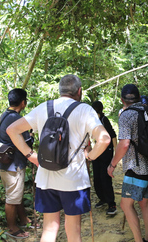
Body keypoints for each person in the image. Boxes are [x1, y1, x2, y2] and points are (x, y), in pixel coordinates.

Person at [7, 74, 111, 242]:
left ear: (60, 90)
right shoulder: (84, 109)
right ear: (79, 91)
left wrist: (30, 155)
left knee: (49, 228)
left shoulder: (43, 107)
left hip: (46, 177)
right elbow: (104, 139)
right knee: (73, 230)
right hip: (74, 180)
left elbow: (12, 130)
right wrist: (90, 156)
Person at [108, 84, 148, 242]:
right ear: (139, 98)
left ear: (122, 100)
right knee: (145, 203)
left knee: (126, 205)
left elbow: (124, 143)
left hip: (137, 168)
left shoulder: (126, 115)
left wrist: (112, 164)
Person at [0, 88, 35, 239]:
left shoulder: (5, 115)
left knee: (15, 194)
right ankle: (12, 228)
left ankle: (24, 220)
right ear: (23, 102)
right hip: (14, 165)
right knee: (12, 198)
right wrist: (31, 135)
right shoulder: (16, 119)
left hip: (6, 163)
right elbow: (27, 141)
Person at [91, 100, 118, 215]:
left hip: (106, 152)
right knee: (96, 178)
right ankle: (102, 198)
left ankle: (111, 203)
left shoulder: (104, 120)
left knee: (105, 177)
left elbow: (113, 135)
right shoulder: (92, 121)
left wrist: (115, 153)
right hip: (96, 152)